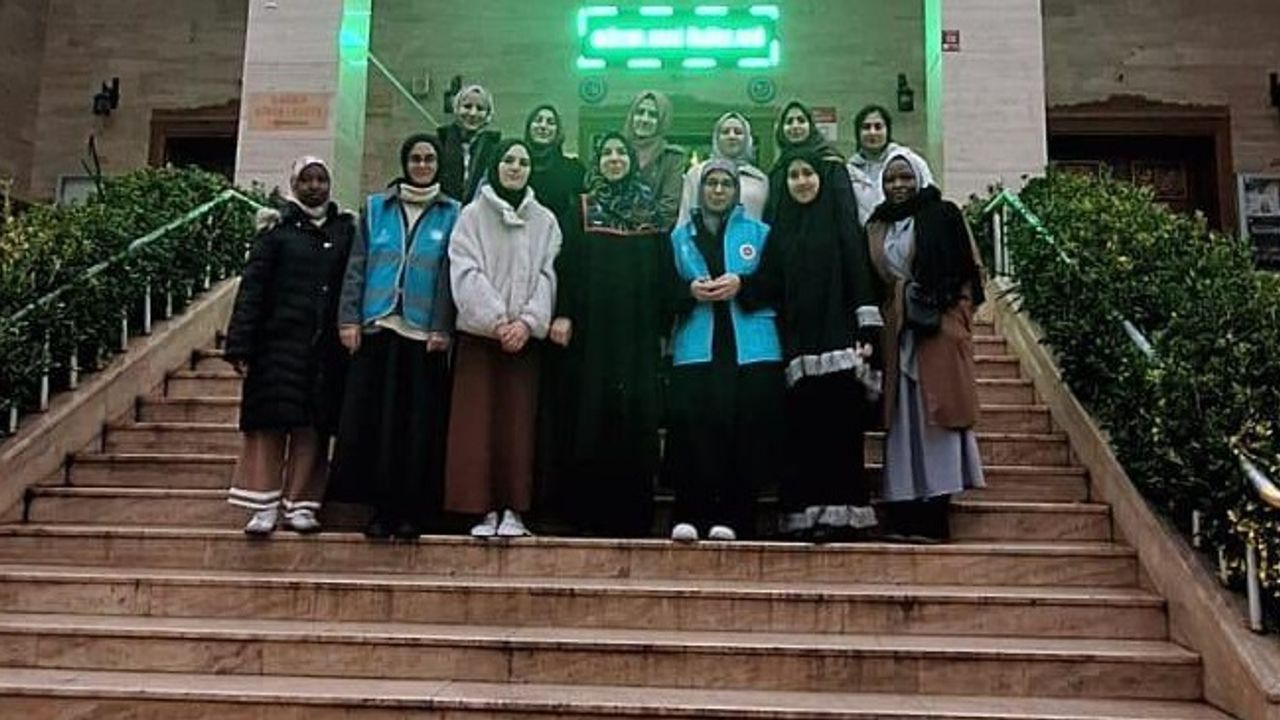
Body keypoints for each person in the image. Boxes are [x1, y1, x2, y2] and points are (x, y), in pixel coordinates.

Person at [739, 148, 884, 542]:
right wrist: (736, 284)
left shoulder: (840, 225)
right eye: (794, 175)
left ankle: (844, 517)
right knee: (803, 435)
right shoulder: (782, 229)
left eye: (808, 174)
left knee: (839, 432)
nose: (801, 181)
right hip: (798, 350)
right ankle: (804, 517)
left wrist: (867, 330)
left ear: (821, 178)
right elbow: (768, 281)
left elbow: (858, 273)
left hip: (839, 343)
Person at [330, 133, 460, 541]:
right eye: (416, 159)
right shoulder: (375, 208)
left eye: (429, 159)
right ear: (405, 163)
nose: (422, 166)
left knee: (416, 427)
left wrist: (442, 326)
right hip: (378, 328)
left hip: (424, 335)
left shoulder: (453, 212)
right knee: (379, 425)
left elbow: (449, 276)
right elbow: (357, 266)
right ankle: (380, 510)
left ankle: (411, 513)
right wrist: (348, 319)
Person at [224, 156, 355, 536]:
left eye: (321, 179)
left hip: (325, 350)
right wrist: (240, 345)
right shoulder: (276, 231)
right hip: (276, 346)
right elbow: (252, 289)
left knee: (313, 428)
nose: (315, 186)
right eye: (307, 180)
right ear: (294, 185)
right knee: (269, 425)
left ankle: (302, 505)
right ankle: (263, 505)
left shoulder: (345, 230)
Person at [547, 132, 668, 536]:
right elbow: (566, 266)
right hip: (591, 334)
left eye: (621, 153)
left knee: (635, 417)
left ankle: (631, 517)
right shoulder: (581, 208)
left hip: (638, 334)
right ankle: (587, 514)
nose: (614, 159)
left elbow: (663, 273)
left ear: (632, 161)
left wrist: (663, 325)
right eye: (607, 153)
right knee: (590, 415)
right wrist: (564, 313)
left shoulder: (649, 212)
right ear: (598, 162)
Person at [866, 148, 986, 543]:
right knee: (903, 423)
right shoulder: (877, 224)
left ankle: (935, 513)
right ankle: (905, 510)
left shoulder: (943, 214)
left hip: (938, 328)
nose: (898, 185)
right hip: (897, 332)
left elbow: (968, 271)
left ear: (919, 177)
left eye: (905, 177)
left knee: (939, 415)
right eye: (890, 179)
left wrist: (956, 319)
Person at [444, 139, 562, 538]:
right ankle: (482, 509)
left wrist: (527, 323)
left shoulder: (545, 220)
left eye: (523, 162)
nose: (515, 167)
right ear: (496, 166)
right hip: (481, 338)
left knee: (518, 427)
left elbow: (548, 274)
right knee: (478, 426)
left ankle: (514, 509)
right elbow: (465, 271)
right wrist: (496, 321)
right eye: (509, 160)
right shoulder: (471, 216)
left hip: (523, 342)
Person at [665, 159, 783, 542]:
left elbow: (778, 283)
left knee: (744, 435)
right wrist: (689, 292)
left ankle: (735, 518)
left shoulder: (761, 233)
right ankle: (690, 514)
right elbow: (663, 289)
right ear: (700, 190)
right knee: (695, 433)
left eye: (726, 184)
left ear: (736, 191)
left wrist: (742, 285)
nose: (718, 190)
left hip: (750, 348)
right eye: (711, 183)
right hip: (697, 347)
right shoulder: (680, 236)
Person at [763, 100, 847, 225]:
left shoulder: (832, 164)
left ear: (811, 126)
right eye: (789, 122)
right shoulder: (777, 170)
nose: (795, 126)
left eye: (801, 120)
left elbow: (846, 214)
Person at [677, 112, 768, 225]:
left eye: (738, 132)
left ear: (747, 138)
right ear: (716, 138)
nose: (732, 136)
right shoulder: (697, 173)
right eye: (725, 132)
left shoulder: (760, 179)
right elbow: (685, 218)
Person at [622, 90, 687, 231]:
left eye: (653, 115)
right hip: (612, 234)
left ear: (662, 121)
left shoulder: (672, 157)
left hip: (655, 236)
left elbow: (669, 208)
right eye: (640, 112)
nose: (644, 119)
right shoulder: (617, 150)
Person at [524, 104, 586, 232]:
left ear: (558, 131)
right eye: (538, 120)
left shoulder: (574, 170)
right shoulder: (516, 167)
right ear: (529, 127)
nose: (543, 126)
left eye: (550, 122)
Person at [438, 84, 502, 203]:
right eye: (467, 106)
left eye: (480, 108)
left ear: (488, 114)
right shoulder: (440, 141)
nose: (473, 113)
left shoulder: (496, 148)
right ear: (456, 108)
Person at [847, 104, 906, 225]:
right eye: (866, 127)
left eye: (878, 127)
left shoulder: (908, 161)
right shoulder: (849, 170)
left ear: (887, 130)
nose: (872, 132)